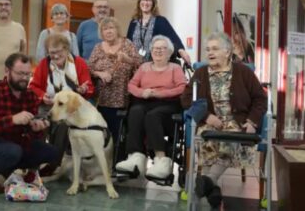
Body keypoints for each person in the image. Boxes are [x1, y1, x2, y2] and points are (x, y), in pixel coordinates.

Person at [180, 32, 267, 208]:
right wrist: (206, 116)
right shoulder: (201, 73)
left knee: (231, 139)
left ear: (227, 52)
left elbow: (260, 98)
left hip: (238, 122)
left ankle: (208, 180)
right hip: (209, 123)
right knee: (206, 139)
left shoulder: (243, 72)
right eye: (207, 49)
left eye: (214, 49)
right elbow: (186, 98)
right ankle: (213, 189)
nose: (209, 53)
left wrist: (252, 121)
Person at [0, 53, 58, 193]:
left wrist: (37, 128)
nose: (24, 78)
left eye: (28, 74)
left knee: (51, 151)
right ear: (7, 71)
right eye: (20, 73)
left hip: (17, 143)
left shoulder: (30, 96)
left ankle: (8, 169)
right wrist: (12, 119)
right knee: (13, 151)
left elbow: (33, 131)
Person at [115, 35, 187, 179]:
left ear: (169, 52)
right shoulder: (144, 67)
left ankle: (161, 159)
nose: (158, 51)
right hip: (144, 101)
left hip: (168, 104)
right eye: (155, 48)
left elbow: (182, 87)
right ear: (151, 51)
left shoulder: (175, 68)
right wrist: (143, 92)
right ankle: (136, 157)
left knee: (152, 116)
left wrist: (161, 93)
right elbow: (131, 85)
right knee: (135, 111)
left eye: (162, 48)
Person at [29, 33, 94, 176]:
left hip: (70, 108)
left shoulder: (79, 63)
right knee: (37, 123)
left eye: (59, 52)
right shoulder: (44, 64)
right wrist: (42, 96)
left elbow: (89, 88)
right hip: (49, 105)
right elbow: (33, 86)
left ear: (66, 49)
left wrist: (83, 90)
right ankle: (33, 164)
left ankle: (54, 162)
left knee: (64, 125)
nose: (56, 56)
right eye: (52, 52)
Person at [89, 17, 140, 146]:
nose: (108, 31)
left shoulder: (127, 44)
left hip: (122, 98)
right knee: (102, 134)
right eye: (105, 29)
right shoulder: (98, 47)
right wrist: (100, 73)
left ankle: (116, 161)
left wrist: (127, 59)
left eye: (111, 28)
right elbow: (88, 69)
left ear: (117, 30)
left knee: (117, 134)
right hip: (101, 99)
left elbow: (140, 64)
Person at [126, 0, 191, 64]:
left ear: (153, 3)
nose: (145, 2)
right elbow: (128, 43)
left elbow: (173, 37)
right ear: (139, 2)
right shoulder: (133, 23)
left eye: (149, 0)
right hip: (135, 66)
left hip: (153, 66)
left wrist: (181, 51)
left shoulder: (161, 21)